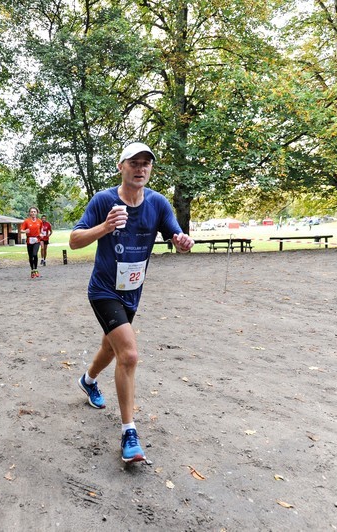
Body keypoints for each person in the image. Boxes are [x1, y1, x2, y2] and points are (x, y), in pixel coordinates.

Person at [69, 142, 194, 463]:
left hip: (132, 292)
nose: (140, 168)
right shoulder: (103, 201)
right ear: (121, 167)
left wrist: (182, 242)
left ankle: (87, 380)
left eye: (146, 164)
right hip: (103, 290)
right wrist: (106, 226)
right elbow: (75, 239)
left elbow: (176, 238)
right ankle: (129, 433)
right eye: (134, 163)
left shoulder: (158, 203)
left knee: (111, 348)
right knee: (129, 353)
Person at [20, 206, 43, 278]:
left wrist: (41, 234)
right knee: (30, 256)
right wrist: (25, 231)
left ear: (37, 213)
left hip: (37, 240)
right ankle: (32, 270)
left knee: (35, 254)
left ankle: (36, 269)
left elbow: (41, 230)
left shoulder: (39, 221)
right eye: (31, 212)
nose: (33, 213)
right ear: (29, 213)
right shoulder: (26, 221)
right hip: (29, 240)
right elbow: (21, 230)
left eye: (34, 211)